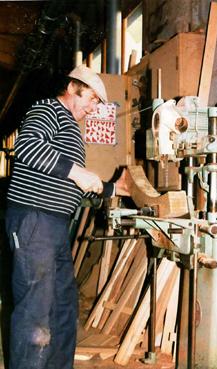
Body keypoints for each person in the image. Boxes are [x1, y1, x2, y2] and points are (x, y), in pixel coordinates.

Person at [5, 65, 129, 369]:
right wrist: (78, 172)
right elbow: (28, 145)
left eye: (98, 103)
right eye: (91, 99)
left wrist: (113, 189)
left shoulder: (72, 129)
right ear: (73, 88)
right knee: (36, 310)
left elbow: (73, 186)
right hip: (35, 220)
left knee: (63, 307)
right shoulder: (48, 109)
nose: (93, 107)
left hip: (55, 226)